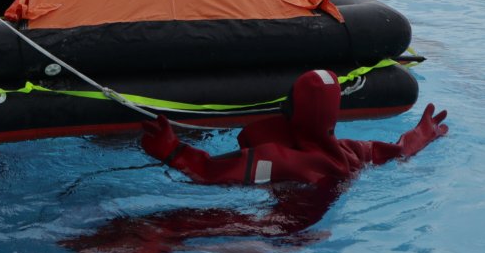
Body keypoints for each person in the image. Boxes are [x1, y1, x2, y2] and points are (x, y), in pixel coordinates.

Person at [141, 69, 449, 186]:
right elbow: (397, 151)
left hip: (278, 239)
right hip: (320, 225)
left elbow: (209, 173)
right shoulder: (350, 150)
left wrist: (172, 150)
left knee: (173, 226)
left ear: (291, 109)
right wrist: (422, 134)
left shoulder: (277, 158)